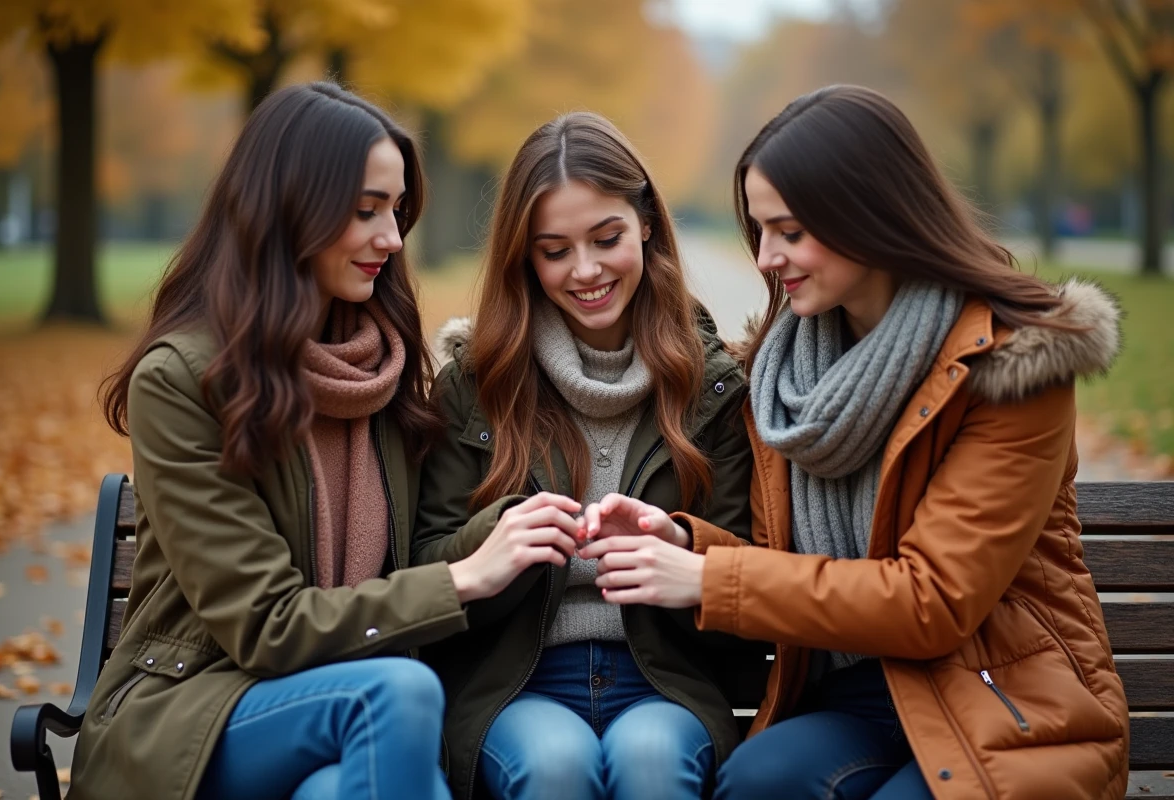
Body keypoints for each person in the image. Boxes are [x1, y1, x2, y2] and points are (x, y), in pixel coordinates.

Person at [580, 85, 1129, 800]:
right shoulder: (784, 379)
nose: (767, 258)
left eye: (790, 232)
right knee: (755, 783)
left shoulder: (1010, 368)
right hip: (856, 694)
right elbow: (784, 564)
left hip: (999, 699)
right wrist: (687, 545)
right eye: (760, 231)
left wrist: (709, 581)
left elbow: (933, 602)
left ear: (870, 215)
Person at [71, 82, 555, 800]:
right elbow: (265, 624)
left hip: (353, 721)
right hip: (198, 713)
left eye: (397, 211)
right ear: (287, 208)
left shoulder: (384, 373)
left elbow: (413, 562)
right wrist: (462, 580)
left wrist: (509, 532)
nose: (392, 239)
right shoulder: (183, 381)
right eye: (365, 211)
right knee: (396, 694)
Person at [411, 112, 755, 800]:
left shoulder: (713, 388)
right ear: (525, 257)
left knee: (653, 761)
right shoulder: (475, 387)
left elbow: (752, 569)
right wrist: (498, 539)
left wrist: (683, 548)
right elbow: (422, 563)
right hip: (515, 684)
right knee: (555, 765)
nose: (586, 270)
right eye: (555, 250)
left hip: (666, 681)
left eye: (606, 238)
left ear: (646, 225)